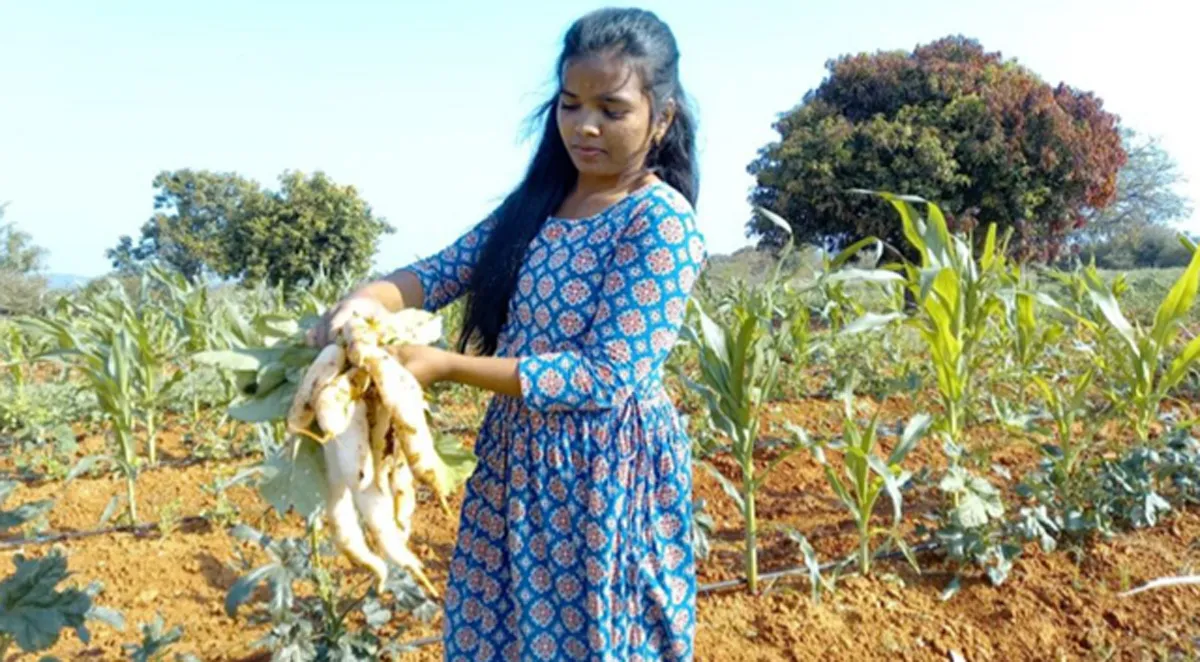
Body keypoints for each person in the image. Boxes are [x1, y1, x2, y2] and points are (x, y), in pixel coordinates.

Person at [310, 7, 706, 660]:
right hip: (516, 458)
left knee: (593, 637)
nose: (584, 125)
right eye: (571, 104)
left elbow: (607, 374)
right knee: (504, 630)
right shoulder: (538, 203)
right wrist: (364, 301)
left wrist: (445, 365)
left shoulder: (660, 222)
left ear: (660, 117)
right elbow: (443, 270)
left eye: (611, 109)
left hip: (602, 469)